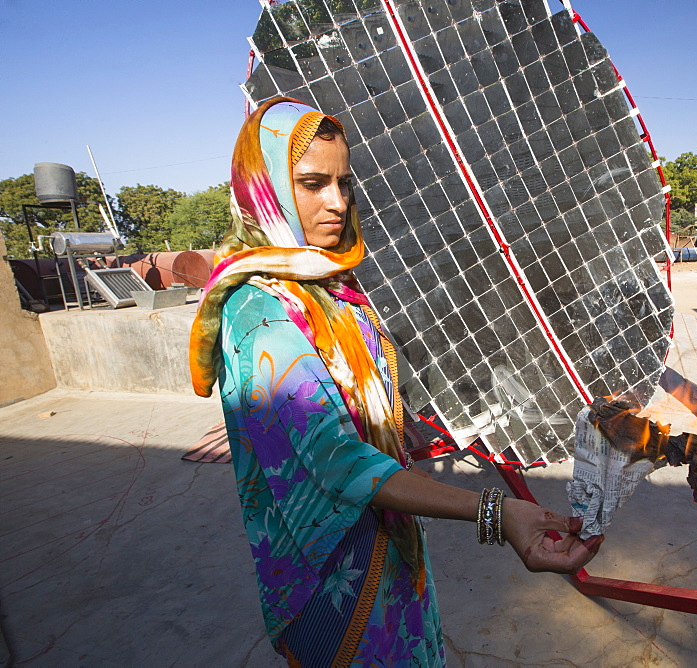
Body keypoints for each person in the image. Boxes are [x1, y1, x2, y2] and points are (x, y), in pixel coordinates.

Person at [189, 97, 602, 666]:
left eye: (344, 182)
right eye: (311, 183)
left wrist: (405, 422)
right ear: (264, 190)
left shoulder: (329, 289)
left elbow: (362, 401)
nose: (337, 202)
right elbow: (336, 461)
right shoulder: (261, 315)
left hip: (389, 547)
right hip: (333, 573)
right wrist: (497, 513)